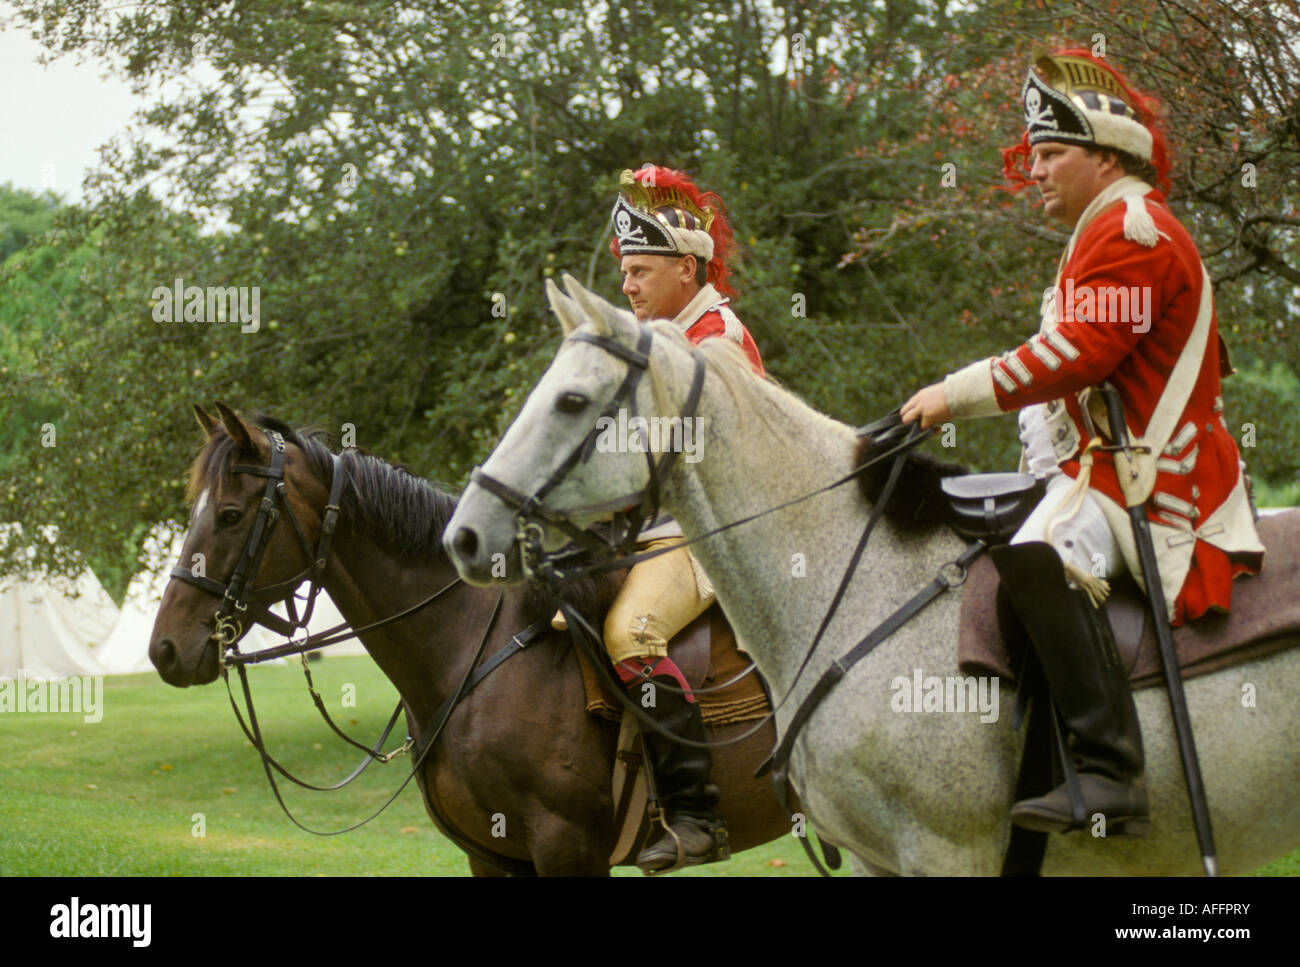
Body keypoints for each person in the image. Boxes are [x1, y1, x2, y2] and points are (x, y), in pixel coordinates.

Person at [900, 50, 1264, 835]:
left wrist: (949, 394)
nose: (1034, 171)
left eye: (1051, 153)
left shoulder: (1135, 229)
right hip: (1104, 468)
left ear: (1106, 157)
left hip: (1160, 478)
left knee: (1038, 557)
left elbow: (1078, 354)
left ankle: (1107, 773)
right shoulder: (1101, 232)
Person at [602, 164, 764, 871]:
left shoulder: (717, 338)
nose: (627, 285)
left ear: (686, 264)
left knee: (629, 632)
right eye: (625, 271)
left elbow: (708, 454)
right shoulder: (657, 336)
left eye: (640, 270)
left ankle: (697, 814)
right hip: (653, 529)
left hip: (710, 530)